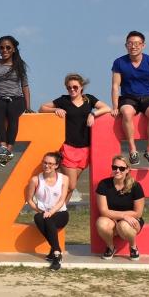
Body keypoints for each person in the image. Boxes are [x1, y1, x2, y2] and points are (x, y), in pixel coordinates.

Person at [39, 74, 110, 203]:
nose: (72, 90)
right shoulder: (64, 100)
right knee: (71, 185)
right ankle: (57, 209)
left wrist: (93, 113)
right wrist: (56, 109)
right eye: (69, 87)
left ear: (81, 87)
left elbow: (107, 108)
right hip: (68, 147)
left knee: (70, 186)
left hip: (85, 149)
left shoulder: (89, 99)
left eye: (75, 87)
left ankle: (60, 210)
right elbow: (42, 108)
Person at [111, 31, 149, 165]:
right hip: (128, 98)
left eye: (137, 43)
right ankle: (133, 150)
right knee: (127, 113)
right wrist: (115, 107)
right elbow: (115, 86)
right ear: (126, 45)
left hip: (147, 97)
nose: (133, 46)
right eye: (130, 43)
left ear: (143, 45)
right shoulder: (119, 62)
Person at [0, 35, 31, 167]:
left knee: (12, 113)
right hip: (0, 98)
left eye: (8, 47)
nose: (4, 50)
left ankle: (9, 149)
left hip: (17, 99)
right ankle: (2, 148)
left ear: (13, 49)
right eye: (2, 47)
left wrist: (28, 106)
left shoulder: (19, 64)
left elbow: (25, 86)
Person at [96, 154, 145, 261]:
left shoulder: (136, 186)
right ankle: (110, 247)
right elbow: (103, 211)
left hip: (132, 221)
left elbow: (138, 213)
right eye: (114, 167)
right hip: (111, 219)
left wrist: (125, 218)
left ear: (128, 170)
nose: (117, 171)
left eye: (121, 168)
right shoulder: (103, 184)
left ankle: (133, 247)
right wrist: (123, 215)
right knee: (101, 223)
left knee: (124, 226)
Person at [26, 152, 69, 271]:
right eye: (45, 162)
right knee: (38, 218)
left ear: (56, 165)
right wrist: (39, 210)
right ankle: (56, 251)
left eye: (50, 163)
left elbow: (62, 200)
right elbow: (29, 200)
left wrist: (51, 212)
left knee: (47, 219)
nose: (47, 165)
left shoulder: (64, 179)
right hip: (43, 214)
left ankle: (55, 253)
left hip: (61, 213)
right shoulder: (35, 180)